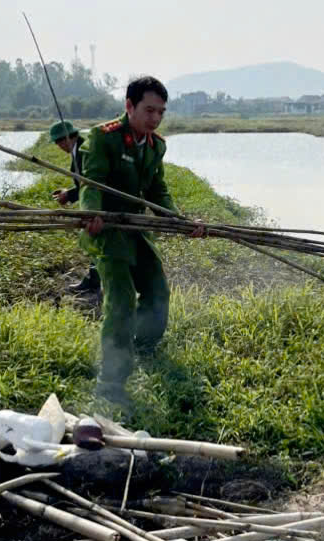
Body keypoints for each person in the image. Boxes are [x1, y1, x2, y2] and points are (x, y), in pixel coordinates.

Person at [79, 76, 197, 408]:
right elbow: (91, 182)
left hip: (136, 228)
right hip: (107, 229)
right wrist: (91, 213)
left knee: (157, 289)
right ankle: (110, 382)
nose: (155, 118)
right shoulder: (104, 138)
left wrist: (176, 219)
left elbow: (158, 190)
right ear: (129, 106)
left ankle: (144, 348)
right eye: (149, 110)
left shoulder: (156, 145)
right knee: (121, 301)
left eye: (161, 112)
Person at [48, 120, 100, 295]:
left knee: (96, 242)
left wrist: (68, 195)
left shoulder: (85, 152)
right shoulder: (77, 151)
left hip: (101, 204)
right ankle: (94, 280)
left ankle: (94, 282)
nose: (59, 146)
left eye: (60, 141)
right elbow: (84, 184)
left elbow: (91, 185)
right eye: (57, 143)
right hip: (95, 204)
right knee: (97, 243)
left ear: (71, 137)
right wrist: (67, 192)